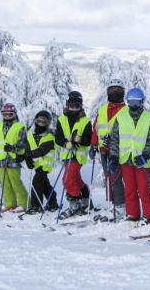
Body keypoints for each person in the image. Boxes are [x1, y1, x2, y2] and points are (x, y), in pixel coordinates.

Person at [109, 88, 150, 224]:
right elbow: (114, 139)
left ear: (142, 102)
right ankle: (132, 214)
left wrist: (146, 155)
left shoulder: (149, 117)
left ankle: (149, 216)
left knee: (143, 189)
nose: (134, 105)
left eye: (137, 102)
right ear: (127, 102)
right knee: (129, 189)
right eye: (131, 102)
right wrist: (113, 158)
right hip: (125, 159)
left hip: (142, 160)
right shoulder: (121, 116)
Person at [89, 79, 127, 220]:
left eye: (118, 90)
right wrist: (93, 145)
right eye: (112, 91)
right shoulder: (103, 109)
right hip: (103, 150)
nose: (115, 93)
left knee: (116, 179)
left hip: (118, 151)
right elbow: (96, 127)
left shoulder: (126, 111)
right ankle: (112, 205)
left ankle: (120, 208)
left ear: (123, 93)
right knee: (109, 178)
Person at [55, 91, 93, 219]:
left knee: (67, 180)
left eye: (77, 106)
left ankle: (75, 205)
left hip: (78, 156)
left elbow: (88, 140)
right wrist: (66, 144)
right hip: (67, 154)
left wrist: (79, 140)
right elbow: (58, 137)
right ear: (67, 105)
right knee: (75, 179)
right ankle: (85, 198)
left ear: (81, 106)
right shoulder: (62, 119)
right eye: (71, 105)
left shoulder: (85, 121)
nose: (74, 109)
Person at [0, 103, 28, 213]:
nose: (7, 117)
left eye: (10, 114)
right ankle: (9, 203)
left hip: (13, 158)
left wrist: (13, 147)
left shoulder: (19, 126)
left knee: (15, 182)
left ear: (14, 114)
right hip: (1, 158)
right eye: (5, 114)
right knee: (4, 183)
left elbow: (24, 142)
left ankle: (23, 203)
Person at [22, 110, 58, 214]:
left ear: (48, 123)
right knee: (45, 184)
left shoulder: (49, 137)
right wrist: (28, 159)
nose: (41, 124)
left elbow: (41, 151)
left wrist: (28, 155)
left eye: (44, 122)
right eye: (39, 121)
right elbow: (27, 148)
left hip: (45, 165)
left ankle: (36, 206)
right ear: (35, 121)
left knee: (37, 181)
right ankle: (53, 203)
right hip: (38, 165)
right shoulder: (31, 135)